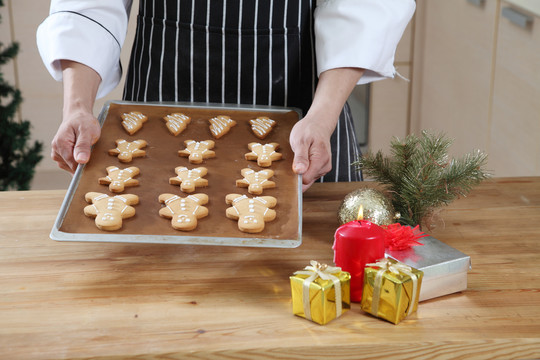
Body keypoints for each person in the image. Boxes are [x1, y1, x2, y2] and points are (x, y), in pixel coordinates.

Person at [37, 0, 415, 191]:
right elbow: (89, 4)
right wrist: (77, 107)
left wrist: (321, 116)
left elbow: (364, 5)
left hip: (306, 106)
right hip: (161, 100)